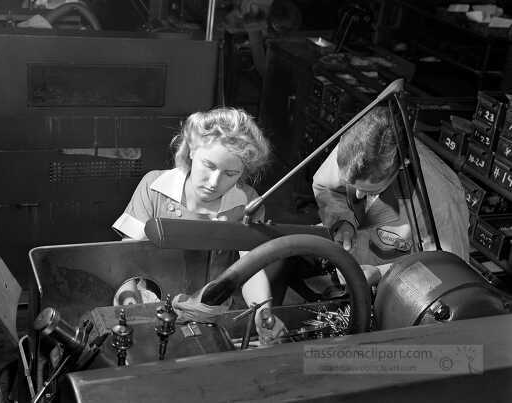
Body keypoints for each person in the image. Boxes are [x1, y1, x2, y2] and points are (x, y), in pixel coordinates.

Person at [112, 107, 286, 345]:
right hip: (152, 309)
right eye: (209, 166)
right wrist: (129, 297)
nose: (215, 182)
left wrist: (262, 311)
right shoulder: (154, 187)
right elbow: (128, 257)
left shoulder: (247, 203)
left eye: (230, 173)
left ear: (243, 171)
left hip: (215, 317)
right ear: (192, 148)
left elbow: (251, 269)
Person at [312, 106, 470, 283]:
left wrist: (381, 274)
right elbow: (324, 186)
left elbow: (448, 268)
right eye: (351, 186)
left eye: (371, 190)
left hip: (397, 289)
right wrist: (342, 220)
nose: (358, 195)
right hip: (349, 267)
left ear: (402, 165)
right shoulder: (355, 150)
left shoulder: (440, 199)